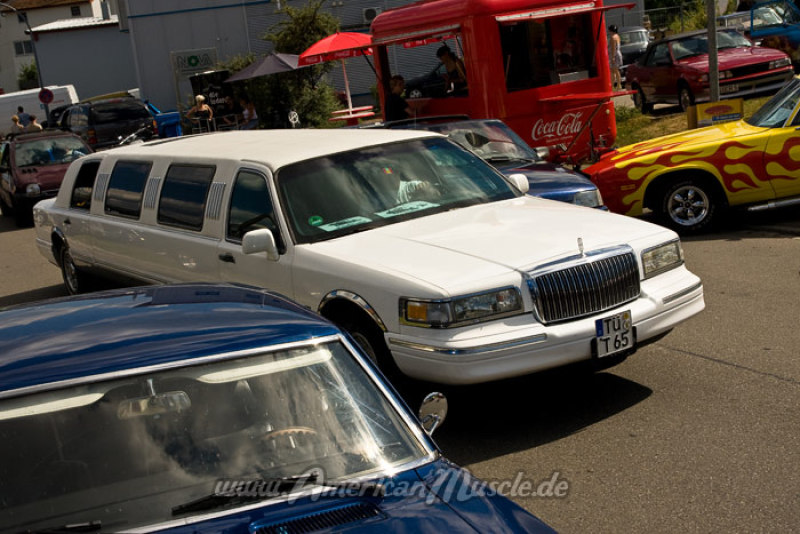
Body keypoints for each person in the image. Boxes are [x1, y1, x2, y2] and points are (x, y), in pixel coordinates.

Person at [609, 25, 623, 91]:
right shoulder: (617, 36)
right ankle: (616, 85)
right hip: (618, 53)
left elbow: (613, 48)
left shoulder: (612, 37)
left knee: (615, 70)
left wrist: (613, 57)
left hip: (615, 54)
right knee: (614, 70)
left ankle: (617, 85)